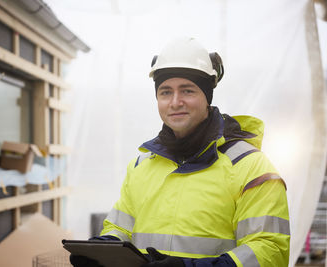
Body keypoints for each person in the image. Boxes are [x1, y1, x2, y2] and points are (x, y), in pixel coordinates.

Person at [69, 37, 290, 267]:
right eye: (165, 92)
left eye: (187, 90)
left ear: (207, 97)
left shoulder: (250, 167)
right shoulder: (141, 167)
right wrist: (103, 249)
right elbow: (119, 228)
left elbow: (269, 251)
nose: (175, 102)